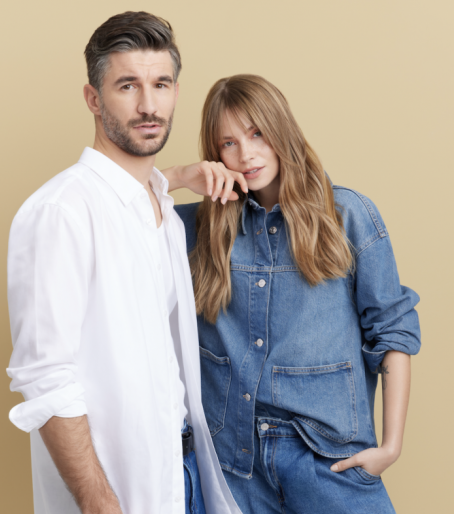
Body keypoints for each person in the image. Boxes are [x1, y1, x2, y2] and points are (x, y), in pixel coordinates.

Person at [6, 12, 245, 514]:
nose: (148, 106)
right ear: (94, 98)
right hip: (114, 492)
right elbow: (45, 377)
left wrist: (176, 176)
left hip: (184, 475)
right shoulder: (61, 212)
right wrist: (99, 502)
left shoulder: (163, 212)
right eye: (127, 85)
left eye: (161, 84)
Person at [175, 74, 421, 514]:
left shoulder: (347, 216)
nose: (246, 154)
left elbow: (392, 332)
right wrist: (178, 175)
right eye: (228, 143)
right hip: (232, 463)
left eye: (257, 133)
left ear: (281, 130)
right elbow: (111, 208)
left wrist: (391, 446)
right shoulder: (198, 228)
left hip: (326, 459)